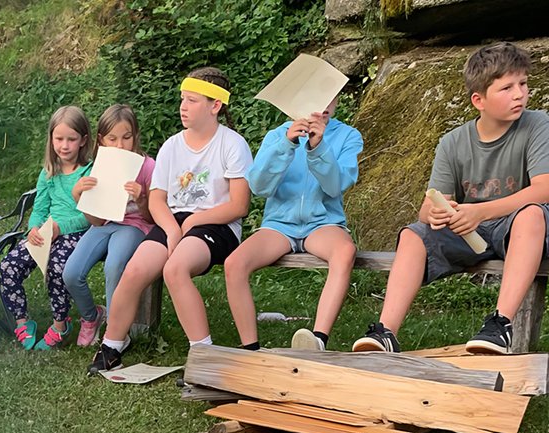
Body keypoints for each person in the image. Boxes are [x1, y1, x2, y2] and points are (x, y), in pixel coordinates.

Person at [352, 42, 549, 355]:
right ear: (478, 100)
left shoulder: (538, 124)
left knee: (531, 214)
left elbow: (543, 189)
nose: (520, 94)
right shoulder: (452, 142)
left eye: (523, 84)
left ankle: (500, 325)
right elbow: (428, 207)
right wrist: (436, 214)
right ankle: (385, 332)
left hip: (524, 231)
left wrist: (479, 212)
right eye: (507, 88)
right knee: (413, 234)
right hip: (472, 231)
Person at [89, 67, 252, 374]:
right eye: (182, 99)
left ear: (215, 105)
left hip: (218, 224)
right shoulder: (172, 146)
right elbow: (157, 200)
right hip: (174, 222)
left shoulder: (232, 144)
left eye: (192, 100)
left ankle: (203, 355)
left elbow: (239, 205)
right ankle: (112, 346)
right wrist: (172, 229)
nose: (183, 107)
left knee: (175, 269)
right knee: (134, 269)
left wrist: (193, 223)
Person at [224, 97, 362, 351]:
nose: (322, 105)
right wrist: (286, 145)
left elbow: (335, 187)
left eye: (330, 96)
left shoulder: (348, 136)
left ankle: (317, 340)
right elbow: (259, 187)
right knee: (234, 263)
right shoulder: (277, 135)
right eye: (316, 96)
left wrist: (318, 148)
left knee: (345, 251)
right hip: (279, 225)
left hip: (323, 223)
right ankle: (250, 348)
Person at [0, 106, 92, 350]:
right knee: (8, 265)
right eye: (59, 139)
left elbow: (89, 216)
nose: (64, 146)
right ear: (51, 139)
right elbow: (39, 209)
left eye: (71, 139)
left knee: (57, 267)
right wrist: (33, 228)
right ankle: (22, 321)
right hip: (48, 232)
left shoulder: (89, 172)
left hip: (76, 233)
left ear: (83, 140)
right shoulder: (49, 172)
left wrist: (61, 227)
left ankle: (61, 325)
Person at [63, 104, 155, 348]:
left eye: (126, 137)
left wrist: (142, 199)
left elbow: (152, 218)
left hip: (135, 226)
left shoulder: (147, 167)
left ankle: (116, 335)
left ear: (135, 136)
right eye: (112, 139)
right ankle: (93, 316)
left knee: (114, 266)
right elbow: (96, 221)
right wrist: (78, 197)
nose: (120, 145)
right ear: (102, 140)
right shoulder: (100, 166)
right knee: (71, 272)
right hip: (105, 224)